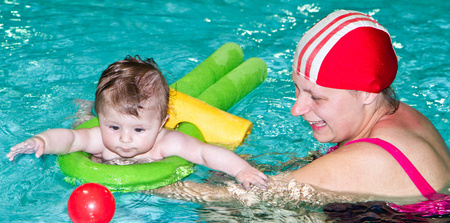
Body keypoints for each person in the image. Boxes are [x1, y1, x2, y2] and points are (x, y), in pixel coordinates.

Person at [152, 10, 450, 213]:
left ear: (366, 94)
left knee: (225, 211)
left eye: (316, 97)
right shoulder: (398, 114)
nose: (297, 109)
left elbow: (243, 198)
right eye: (298, 89)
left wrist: (133, 180)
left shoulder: (372, 158)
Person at [6, 55, 268, 189]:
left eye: (139, 129)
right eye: (114, 127)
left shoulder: (167, 142)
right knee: (79, 125)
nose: (125, 139)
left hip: (152, 182)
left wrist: (241, 171)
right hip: (106, 177)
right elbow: (71, 139)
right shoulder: (101, 140)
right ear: (103, 120)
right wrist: (42, 141)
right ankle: (86, 111)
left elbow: (206, 153)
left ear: (162, 123)